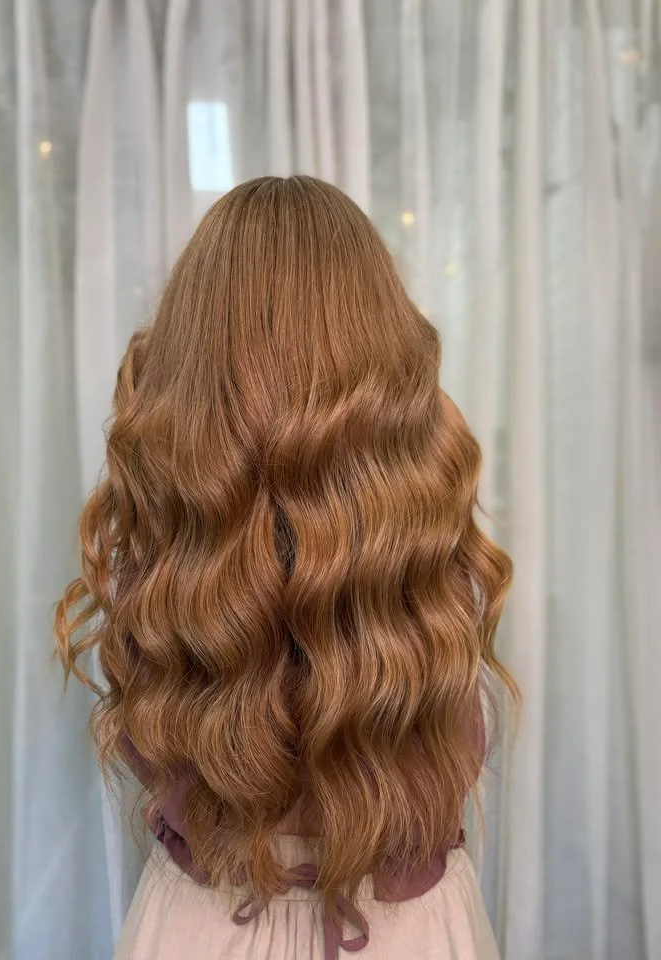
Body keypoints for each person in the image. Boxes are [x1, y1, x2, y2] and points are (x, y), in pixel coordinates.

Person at [55, 175, 517, 960]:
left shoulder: (162, 567)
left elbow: (148, 746)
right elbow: (453, 748)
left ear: (193, 361)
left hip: (200, 932)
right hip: (410, 934)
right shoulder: (426, 557)